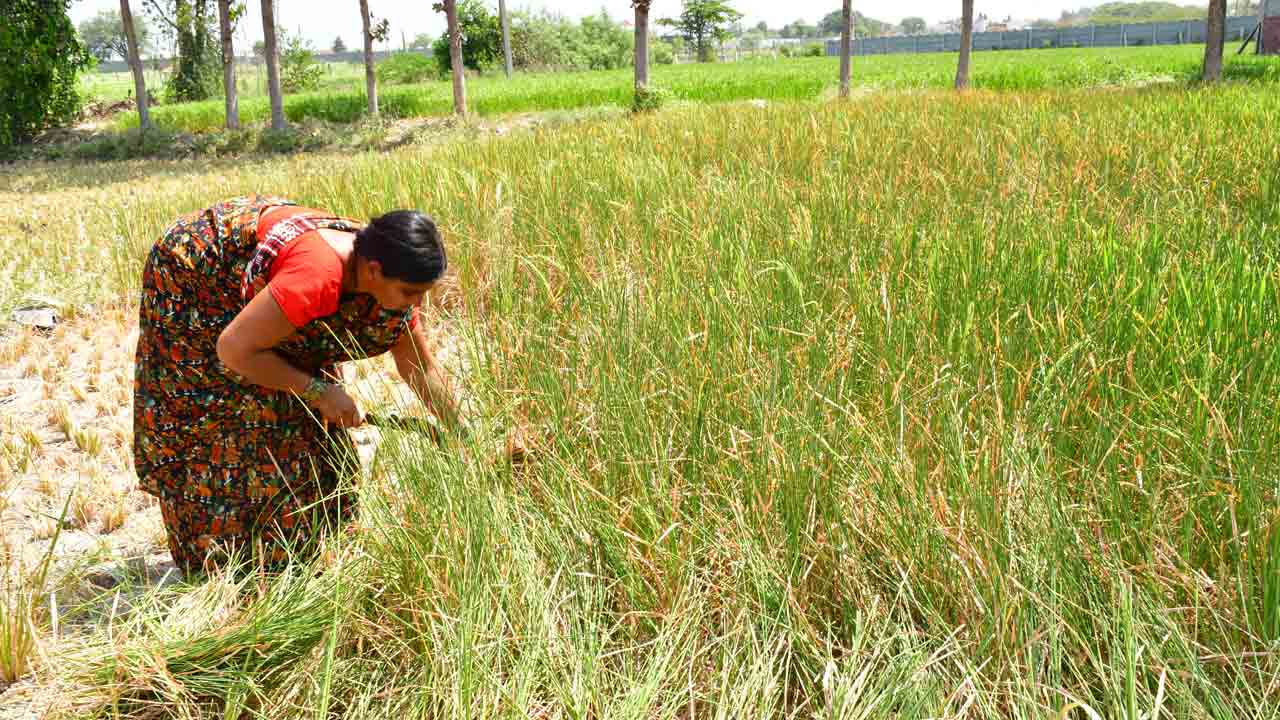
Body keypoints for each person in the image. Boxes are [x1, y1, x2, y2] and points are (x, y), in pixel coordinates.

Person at [132, 194, 460, 576]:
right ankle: (226, 563)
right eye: (409, 292)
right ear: (373, 270)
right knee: (239, 412)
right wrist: (318, 391)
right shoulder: (316, 277)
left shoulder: (389, 267)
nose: (416, 303)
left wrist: (461, 431)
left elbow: (419, 366)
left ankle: (307, 548)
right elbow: (234, 349)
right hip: (198, 273)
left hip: (279, 282)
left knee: (303, 417)